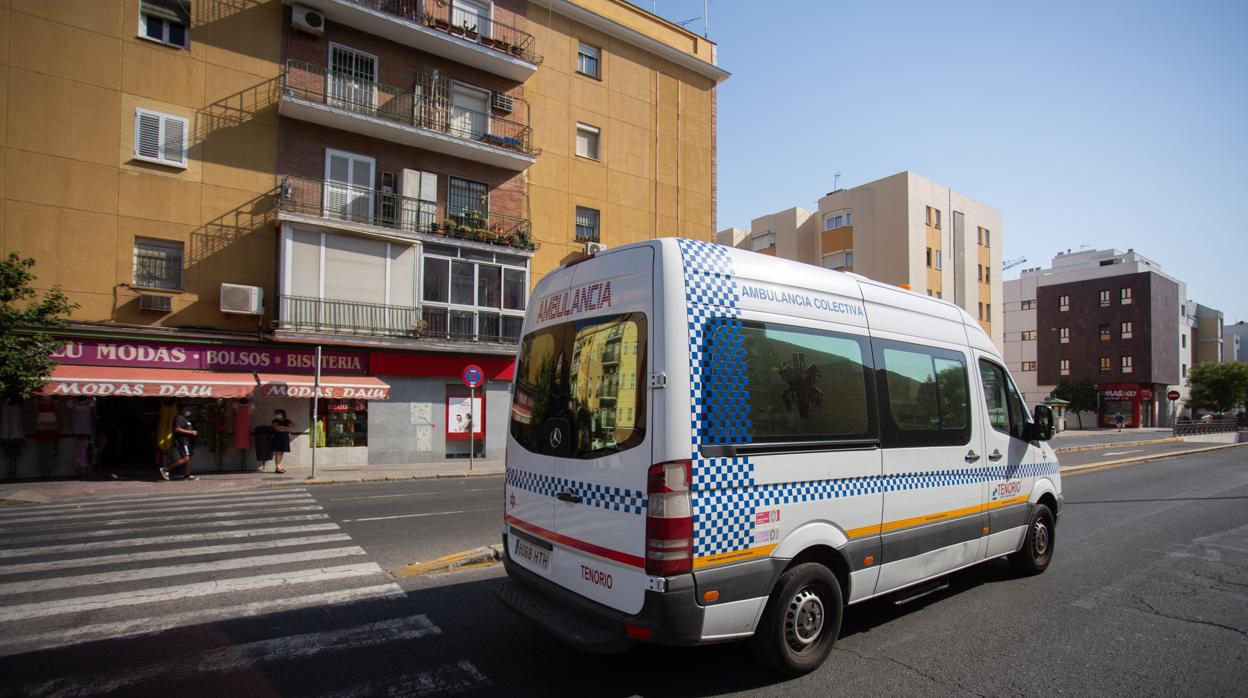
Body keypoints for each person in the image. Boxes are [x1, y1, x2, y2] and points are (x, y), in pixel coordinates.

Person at [161, 405, 199, 481]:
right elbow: (177, 429)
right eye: (187, 409)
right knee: (186, 458)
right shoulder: (178, 418)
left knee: (189, 458)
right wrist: (191, 432)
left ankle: (186, 475)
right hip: (183, 441)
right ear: (182, 410)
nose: (189, 411)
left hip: (188, 442)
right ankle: (166, 469)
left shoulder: (184, 418)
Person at [271, 409, 293, 474]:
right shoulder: (275, 420)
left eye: (278, 414)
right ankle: (277, 467)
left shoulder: (287, 421)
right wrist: (285, 428)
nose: (277, 415)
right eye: (276, 414)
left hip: (285, 438)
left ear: (282, 414)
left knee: (282, 452)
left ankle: (280, 467)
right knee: (277, 452)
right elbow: (276, 428)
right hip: (277, 438)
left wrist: (281, 428)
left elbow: (290, 429)